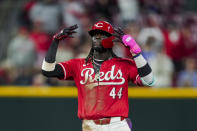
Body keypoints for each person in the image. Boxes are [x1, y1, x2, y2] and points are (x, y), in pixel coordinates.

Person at [41, 21, 155, 131]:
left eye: (101, 35)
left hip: (117, 125)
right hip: (90, 126)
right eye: (94, 35)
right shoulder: (78, 64)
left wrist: (135, 51)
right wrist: (55, 41)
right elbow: (47, 70)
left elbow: (148, 81)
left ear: (111, 39)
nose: (96, 38)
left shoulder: (124, 64)